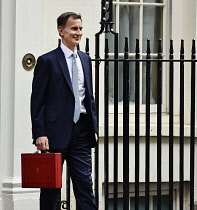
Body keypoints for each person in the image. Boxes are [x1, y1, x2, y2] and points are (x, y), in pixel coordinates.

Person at [31, 12, 98, 210]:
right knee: (51, 188)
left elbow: (89, 97)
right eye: (74, 28)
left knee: (85, 186)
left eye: (80, 28)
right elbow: (37, 101)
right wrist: (39, 133)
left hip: (82, 132)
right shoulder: (47, 61)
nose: (78, 33)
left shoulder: (85, 59)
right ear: (61, 31)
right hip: (53, 134)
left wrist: (93, 127)